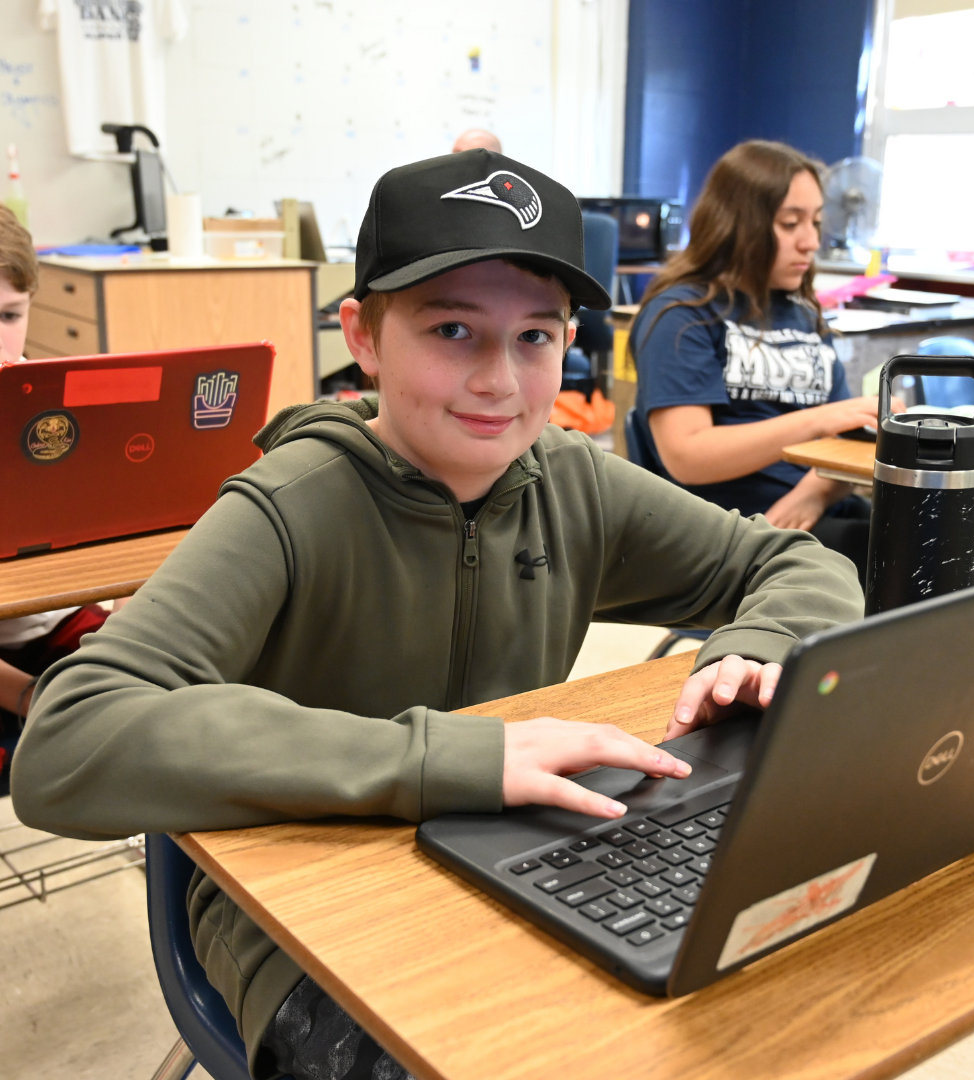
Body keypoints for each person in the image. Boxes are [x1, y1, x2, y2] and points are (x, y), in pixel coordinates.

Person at [11, 150, 863, 1080]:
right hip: (294, 912)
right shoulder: (288, 505)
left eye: (536, 337)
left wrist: (753, 645)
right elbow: (68, 739)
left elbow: (794, 559)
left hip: (507, 867)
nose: (500, 380)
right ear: (365, 338)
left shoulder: (572, 482)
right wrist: (452, 758)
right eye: (453, 329)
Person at [629, 141, 891, 580]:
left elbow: (847, 441)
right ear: (739, 224)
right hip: (733, 534)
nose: (810, 241)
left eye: (816, 221)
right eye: (790, 223)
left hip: (812, 513)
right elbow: (687, 454)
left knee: (971, 566)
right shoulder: (681, 315)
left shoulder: (803, 313)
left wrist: (816, 490)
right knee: (938, 586)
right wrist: (817, 420)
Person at [0, 205, 115, 793]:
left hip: (54, 618)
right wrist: (25, 697)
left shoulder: (49, 406)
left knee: (156, 698)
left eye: (9, 315)